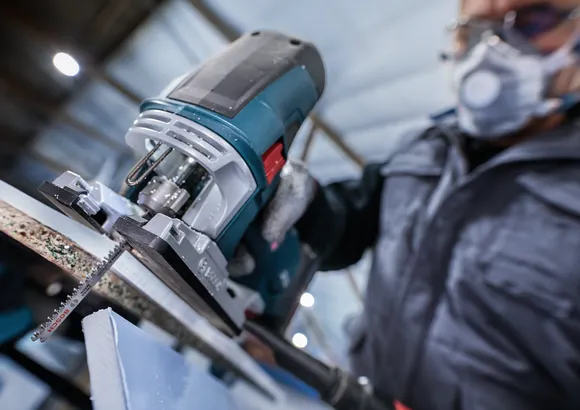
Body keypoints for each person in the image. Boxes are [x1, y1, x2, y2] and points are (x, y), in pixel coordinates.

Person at [247, 1, 580, 409]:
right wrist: (302, 203)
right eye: (473, 31)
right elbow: (347, 225)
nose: (490, 50)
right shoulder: (425, 149)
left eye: (531, 21)